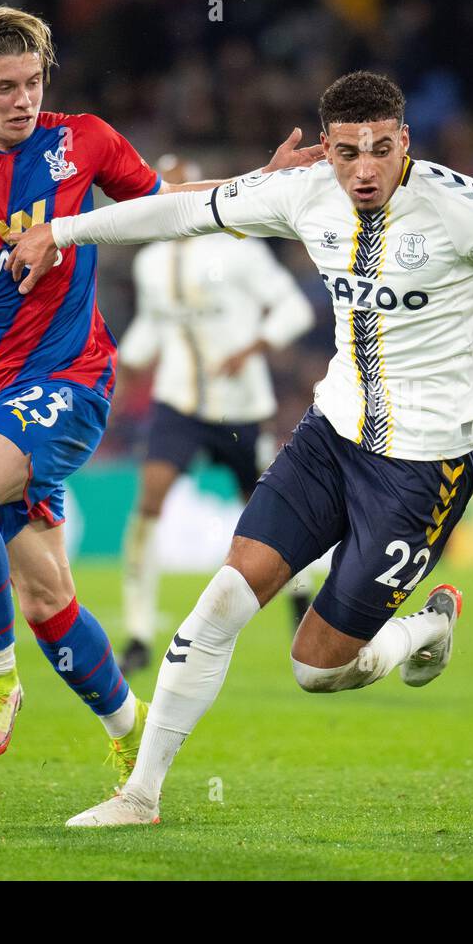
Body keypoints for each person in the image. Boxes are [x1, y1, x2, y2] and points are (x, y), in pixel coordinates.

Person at [7, 70, 473, 826]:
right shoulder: (305, 192)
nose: (364, 170)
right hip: (330, 436)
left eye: (381, 150)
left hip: (424, 469)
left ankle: (425, 628)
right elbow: (186, 213)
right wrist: (62, 230)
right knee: (222, 598)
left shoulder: (460, 208)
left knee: (315, 669)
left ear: (404, 141)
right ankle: (140, 796)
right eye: (348, 152)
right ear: (327, 147)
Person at [0, 5, 318, 791]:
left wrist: (258, 185)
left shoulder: (84, 140)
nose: (24, 99)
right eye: (3, 86)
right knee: (47, 596)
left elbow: (168, 205)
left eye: (34, 81)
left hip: (72, 381)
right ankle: (131, 731)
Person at [117, 154, 317, 673]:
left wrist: (253, 347)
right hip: (178, 401)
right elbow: (152, 328)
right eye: (165, 190)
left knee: (273, 514)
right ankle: (138, 632)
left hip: (241, 407)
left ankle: (298, 595)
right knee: (149, 502)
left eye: (181, 187)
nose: (172, 198)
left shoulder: (238, 248)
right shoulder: (151, 262)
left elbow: (293, 308)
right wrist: (125, 365)